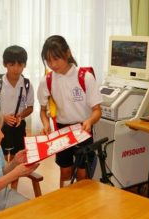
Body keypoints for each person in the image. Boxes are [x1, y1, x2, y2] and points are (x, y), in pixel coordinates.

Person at [37, 35, 102, 187]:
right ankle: (65, 206)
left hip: (82, 129)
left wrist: (90, 121)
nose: (53, 64)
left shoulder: (85, 77)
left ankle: (83, 207)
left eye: (56, 59)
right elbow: (42, 110)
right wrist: (46, 124)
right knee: (65, 172)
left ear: (68, 53)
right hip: (62, 130)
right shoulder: (47, 80)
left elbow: (97, 110)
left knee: (82, 174)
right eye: (48, 61)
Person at [0, 45, 34, 162]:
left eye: (20, 65)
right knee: (0, 155)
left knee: (17, 156)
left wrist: (20, 116)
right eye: (12, 65)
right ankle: (2, 178)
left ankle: (14, 179)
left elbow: (30, 107)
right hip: (0, 126)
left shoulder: (27, 84)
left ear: (25, 65)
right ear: (5, 64)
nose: (16, 69)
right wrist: (3, 117)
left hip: (19, 126)